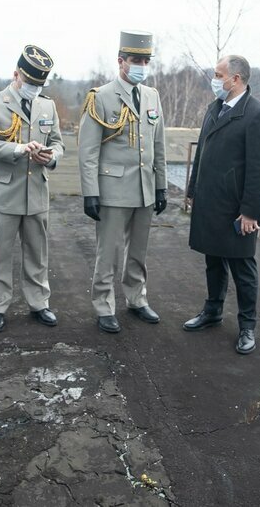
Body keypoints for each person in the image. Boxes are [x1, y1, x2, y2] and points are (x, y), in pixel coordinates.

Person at [183, 55, 260, 354]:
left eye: (218, 74)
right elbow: (203, 152)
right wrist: (192, 188)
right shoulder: (215, 108)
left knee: (242, 268)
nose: (214, 78)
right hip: (210, 201)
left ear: (235, 79)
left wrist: (250, 212)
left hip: (236, 208)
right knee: (213, 260)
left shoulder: (258, 115)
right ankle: (212, 311)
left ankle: (247, 325)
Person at [78, 30, 167, 334]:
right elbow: (88, 150)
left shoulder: (152, 96)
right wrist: (90, 192)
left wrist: (161, 185)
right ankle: (104, 304)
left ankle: (136, 298)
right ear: (120, 61)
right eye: (135, 59)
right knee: (108, 252)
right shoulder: (101, 96)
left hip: (144, 188)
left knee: (138, 250)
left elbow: (159, 146)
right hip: (112, 190)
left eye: (145, 60)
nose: (141, 64)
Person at [0, 45, 64, 332]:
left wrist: (51, 157)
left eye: (40, 85)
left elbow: (59, 142)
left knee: (38, 254)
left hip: (36, 193)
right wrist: (18, 148)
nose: (35, 89)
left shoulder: (47, 106)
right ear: (16, 74)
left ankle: (39, 303)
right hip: (3, 194)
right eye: (31, 83)